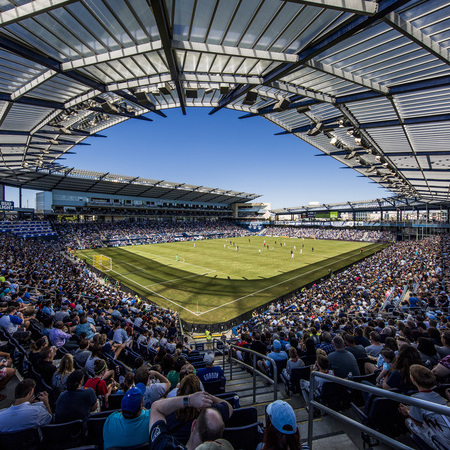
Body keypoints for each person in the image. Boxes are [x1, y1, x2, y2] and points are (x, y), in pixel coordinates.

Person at [149, 390, 233, 450]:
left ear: (193, 425)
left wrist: (189, 400)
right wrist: (208, 396)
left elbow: (156, 408)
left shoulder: (166, 446)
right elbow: (229, 407)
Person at [398, 365, 450, 448]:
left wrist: (407, 411)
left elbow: (417, 421)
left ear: (413, 380)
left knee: (409, 421)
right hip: (445, 429)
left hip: (443, 442)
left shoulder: (416, 398)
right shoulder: (437, 395)